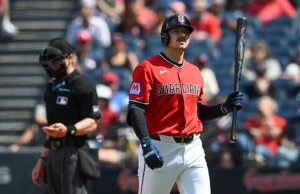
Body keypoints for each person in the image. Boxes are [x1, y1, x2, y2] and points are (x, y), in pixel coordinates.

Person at [126, 14, 244, 194]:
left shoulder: (195, 71)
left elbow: (196, 112)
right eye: (176, 31)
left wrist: (224, 108)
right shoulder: (147, 68)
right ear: (165, 37)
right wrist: (146, 145)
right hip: (160, 147)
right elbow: (136, 110)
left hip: (193, 149)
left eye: (186, 31)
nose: (182, 35)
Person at [31, 38, 101, 194]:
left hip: (73, 151)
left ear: (70, 58)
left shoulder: (83, 84)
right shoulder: (51, 88)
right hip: (54, 153)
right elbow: (52, 130)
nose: (53, 66)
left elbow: (92, 122)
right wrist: (42, 161)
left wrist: (69, 130)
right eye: (50, 62)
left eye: (56, 61)